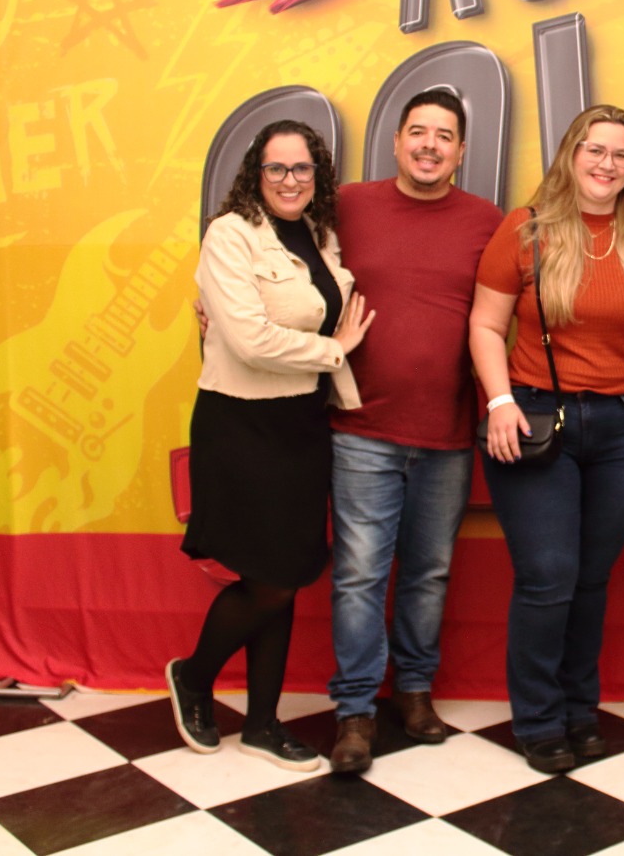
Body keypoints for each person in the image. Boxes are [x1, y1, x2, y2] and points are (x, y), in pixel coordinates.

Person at [169, 119, 375, 772]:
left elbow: (313, 308)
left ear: (318, 176)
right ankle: (194, 677)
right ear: (255, 175)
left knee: (282, 574)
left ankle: (262, 723)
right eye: (276, 169)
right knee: (271, 579)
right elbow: (250, 339)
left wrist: (327, 352)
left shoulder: (319, 233)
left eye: (302, 168)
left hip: (302, 425)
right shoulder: (229, 235)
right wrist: (334, 350)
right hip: (242, 425)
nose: (290, 180)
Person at [469, 104, 624, 774]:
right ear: (570, 155)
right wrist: (499, 400)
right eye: (594, 150)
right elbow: (485, 324)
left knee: (590, 578)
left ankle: (581, 709)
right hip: (534, 420)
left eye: (620, 154)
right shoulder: (526, 230)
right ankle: (539, 718)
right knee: (548, 576)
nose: (606, 164)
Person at [325, 90, 503, 772]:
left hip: (447, 435)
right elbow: (284, 262)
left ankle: (415, 691)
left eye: (444, 136)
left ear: (461, 151)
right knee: (359, 575)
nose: (430, 145)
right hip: (360, 426)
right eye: (418, 132)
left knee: (428, 572)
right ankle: (354, 711)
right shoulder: (347, 205)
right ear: (396, 142)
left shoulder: (485, 221)